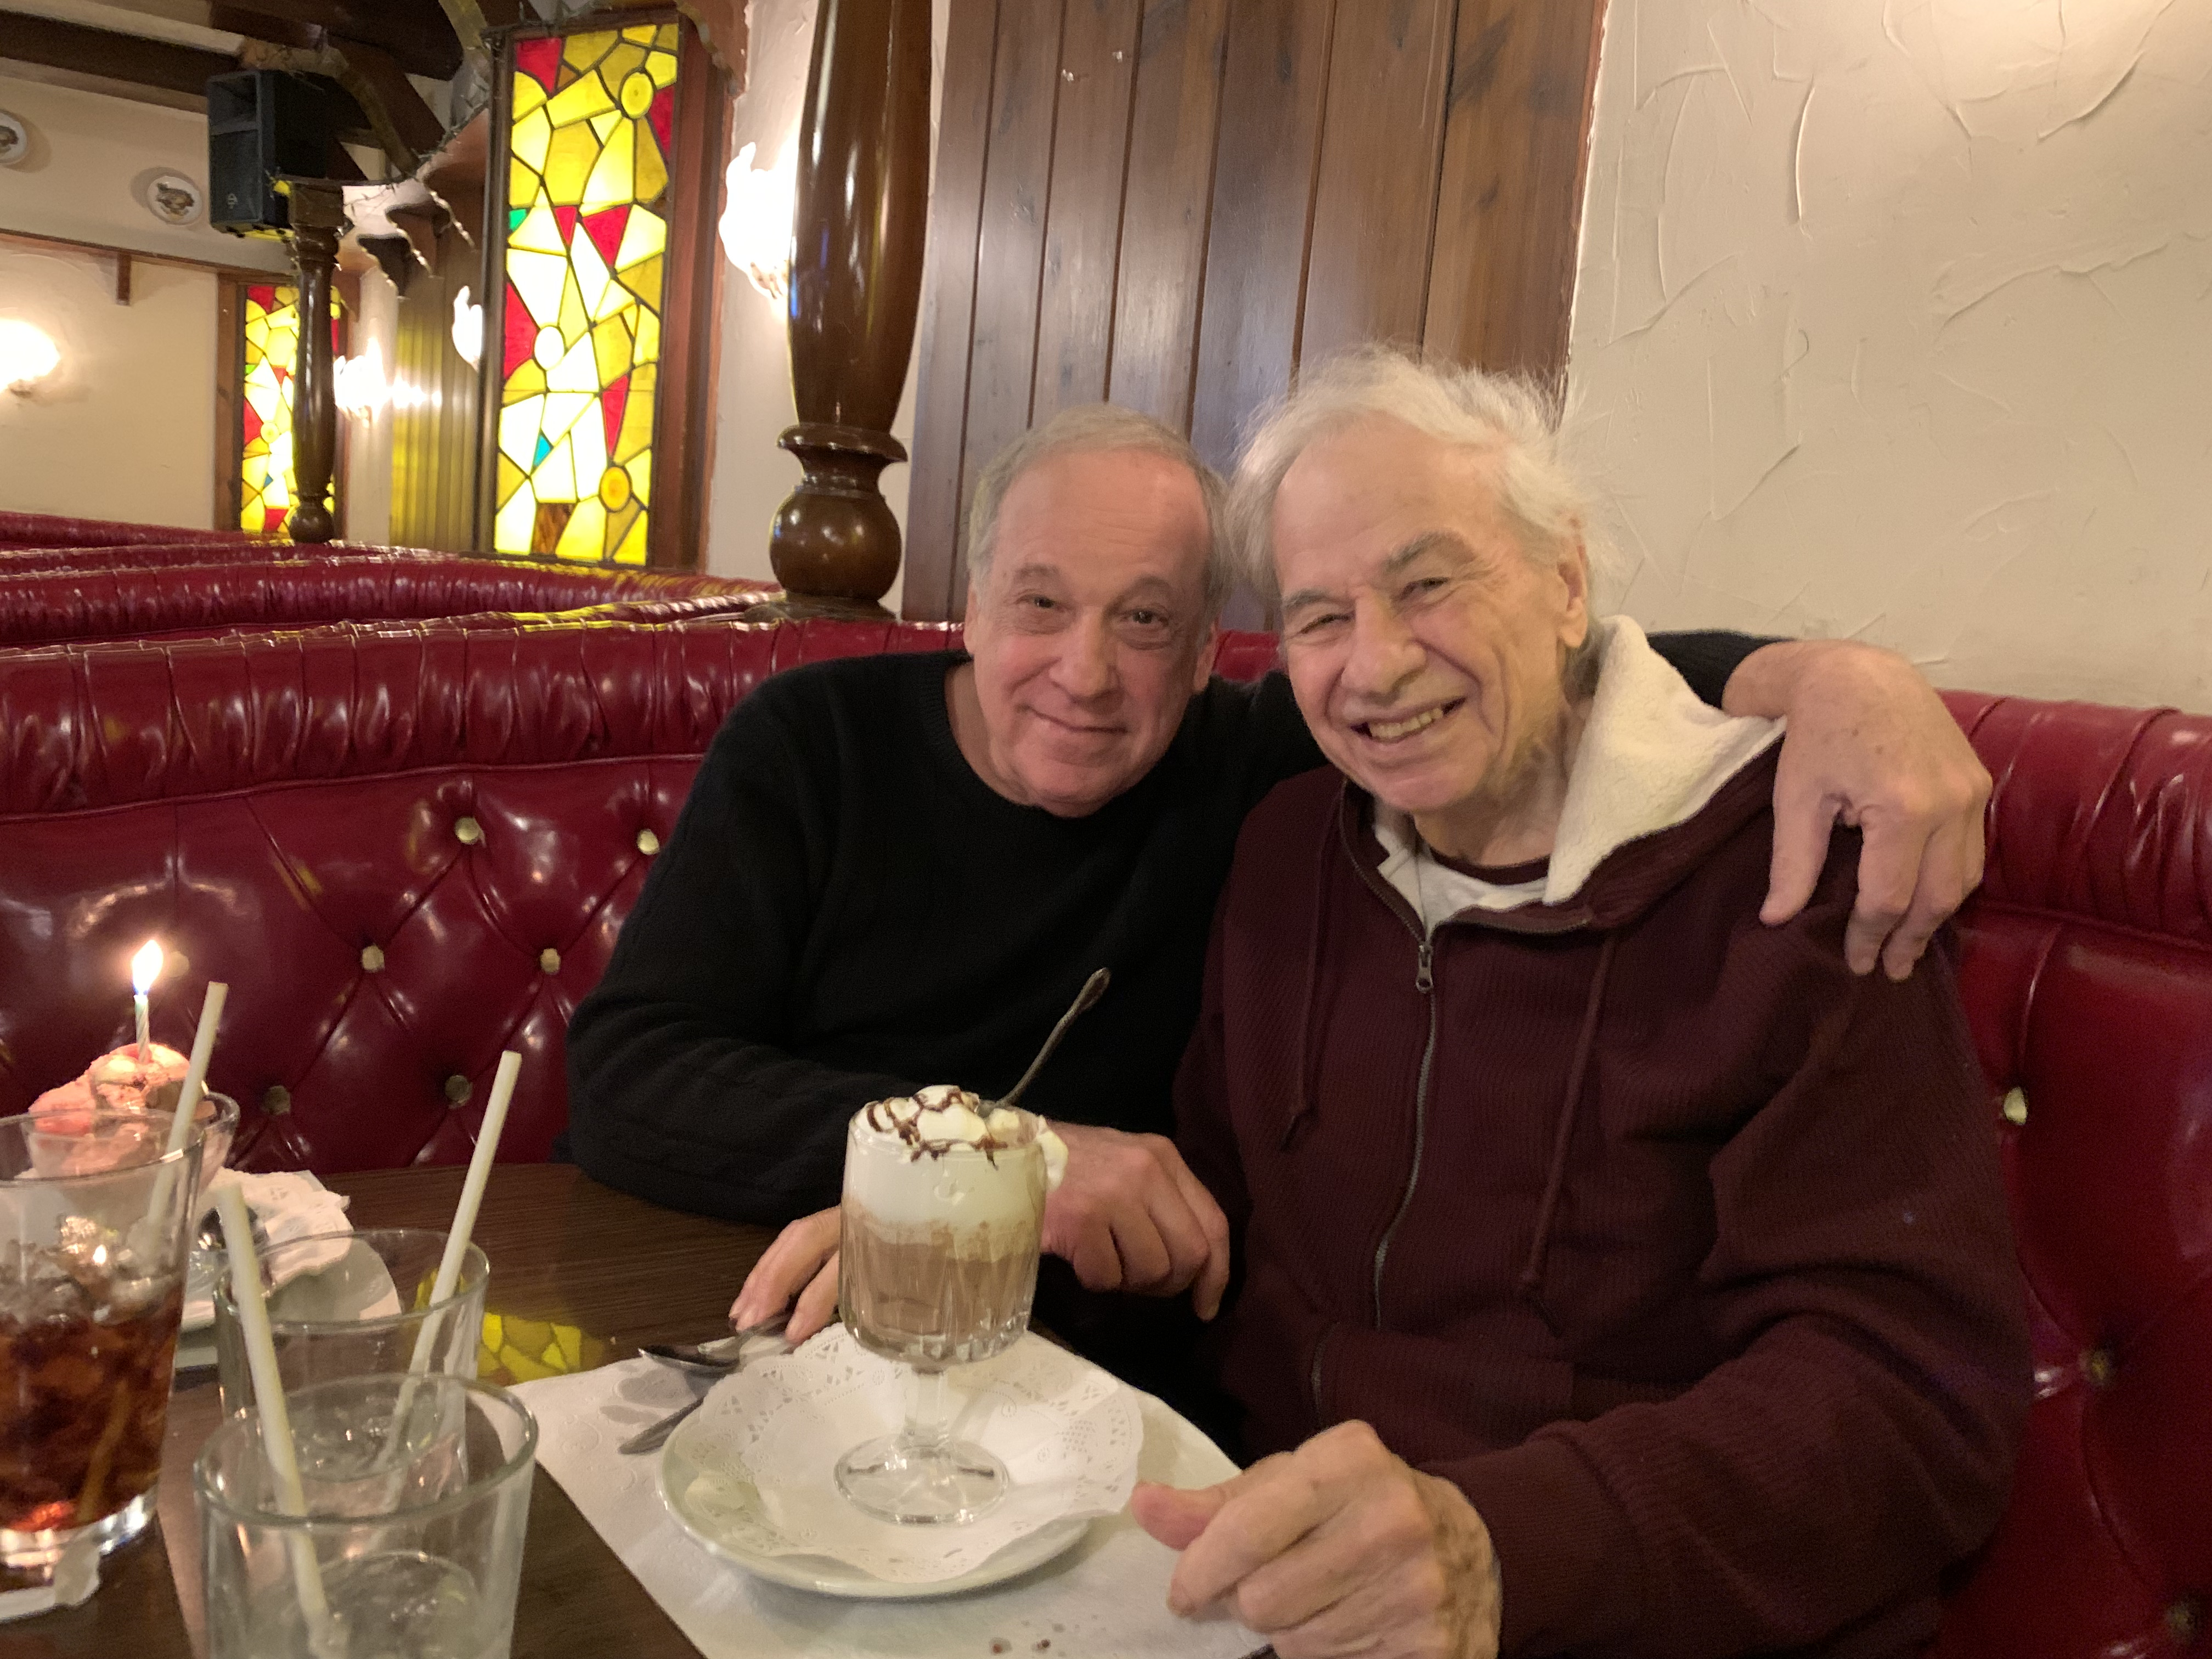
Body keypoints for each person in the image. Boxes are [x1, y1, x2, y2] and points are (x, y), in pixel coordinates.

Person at [565, 404, 1993, 1355]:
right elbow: (629, 1079)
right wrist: (997, 1165)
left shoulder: (1254, 761)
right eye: (1042, 604)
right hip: (768, 1296)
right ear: (972, 606)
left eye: (1146, 622)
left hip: (1076, 1366)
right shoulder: (812, 746)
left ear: (1208, 657)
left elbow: (1531, 670)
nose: (1085, 673)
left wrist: (1836, 678)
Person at [1133, 352, 2030, 1658]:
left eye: (1429, 584)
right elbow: (1204, 1228)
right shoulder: (1288, 850)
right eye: (1320, 617)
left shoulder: (1788, 883)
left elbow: (1912, 1404)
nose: (1375, 665)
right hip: (1268, 1579)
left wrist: (1502, 1549)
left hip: (1600, 1613)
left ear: (1566, 586)